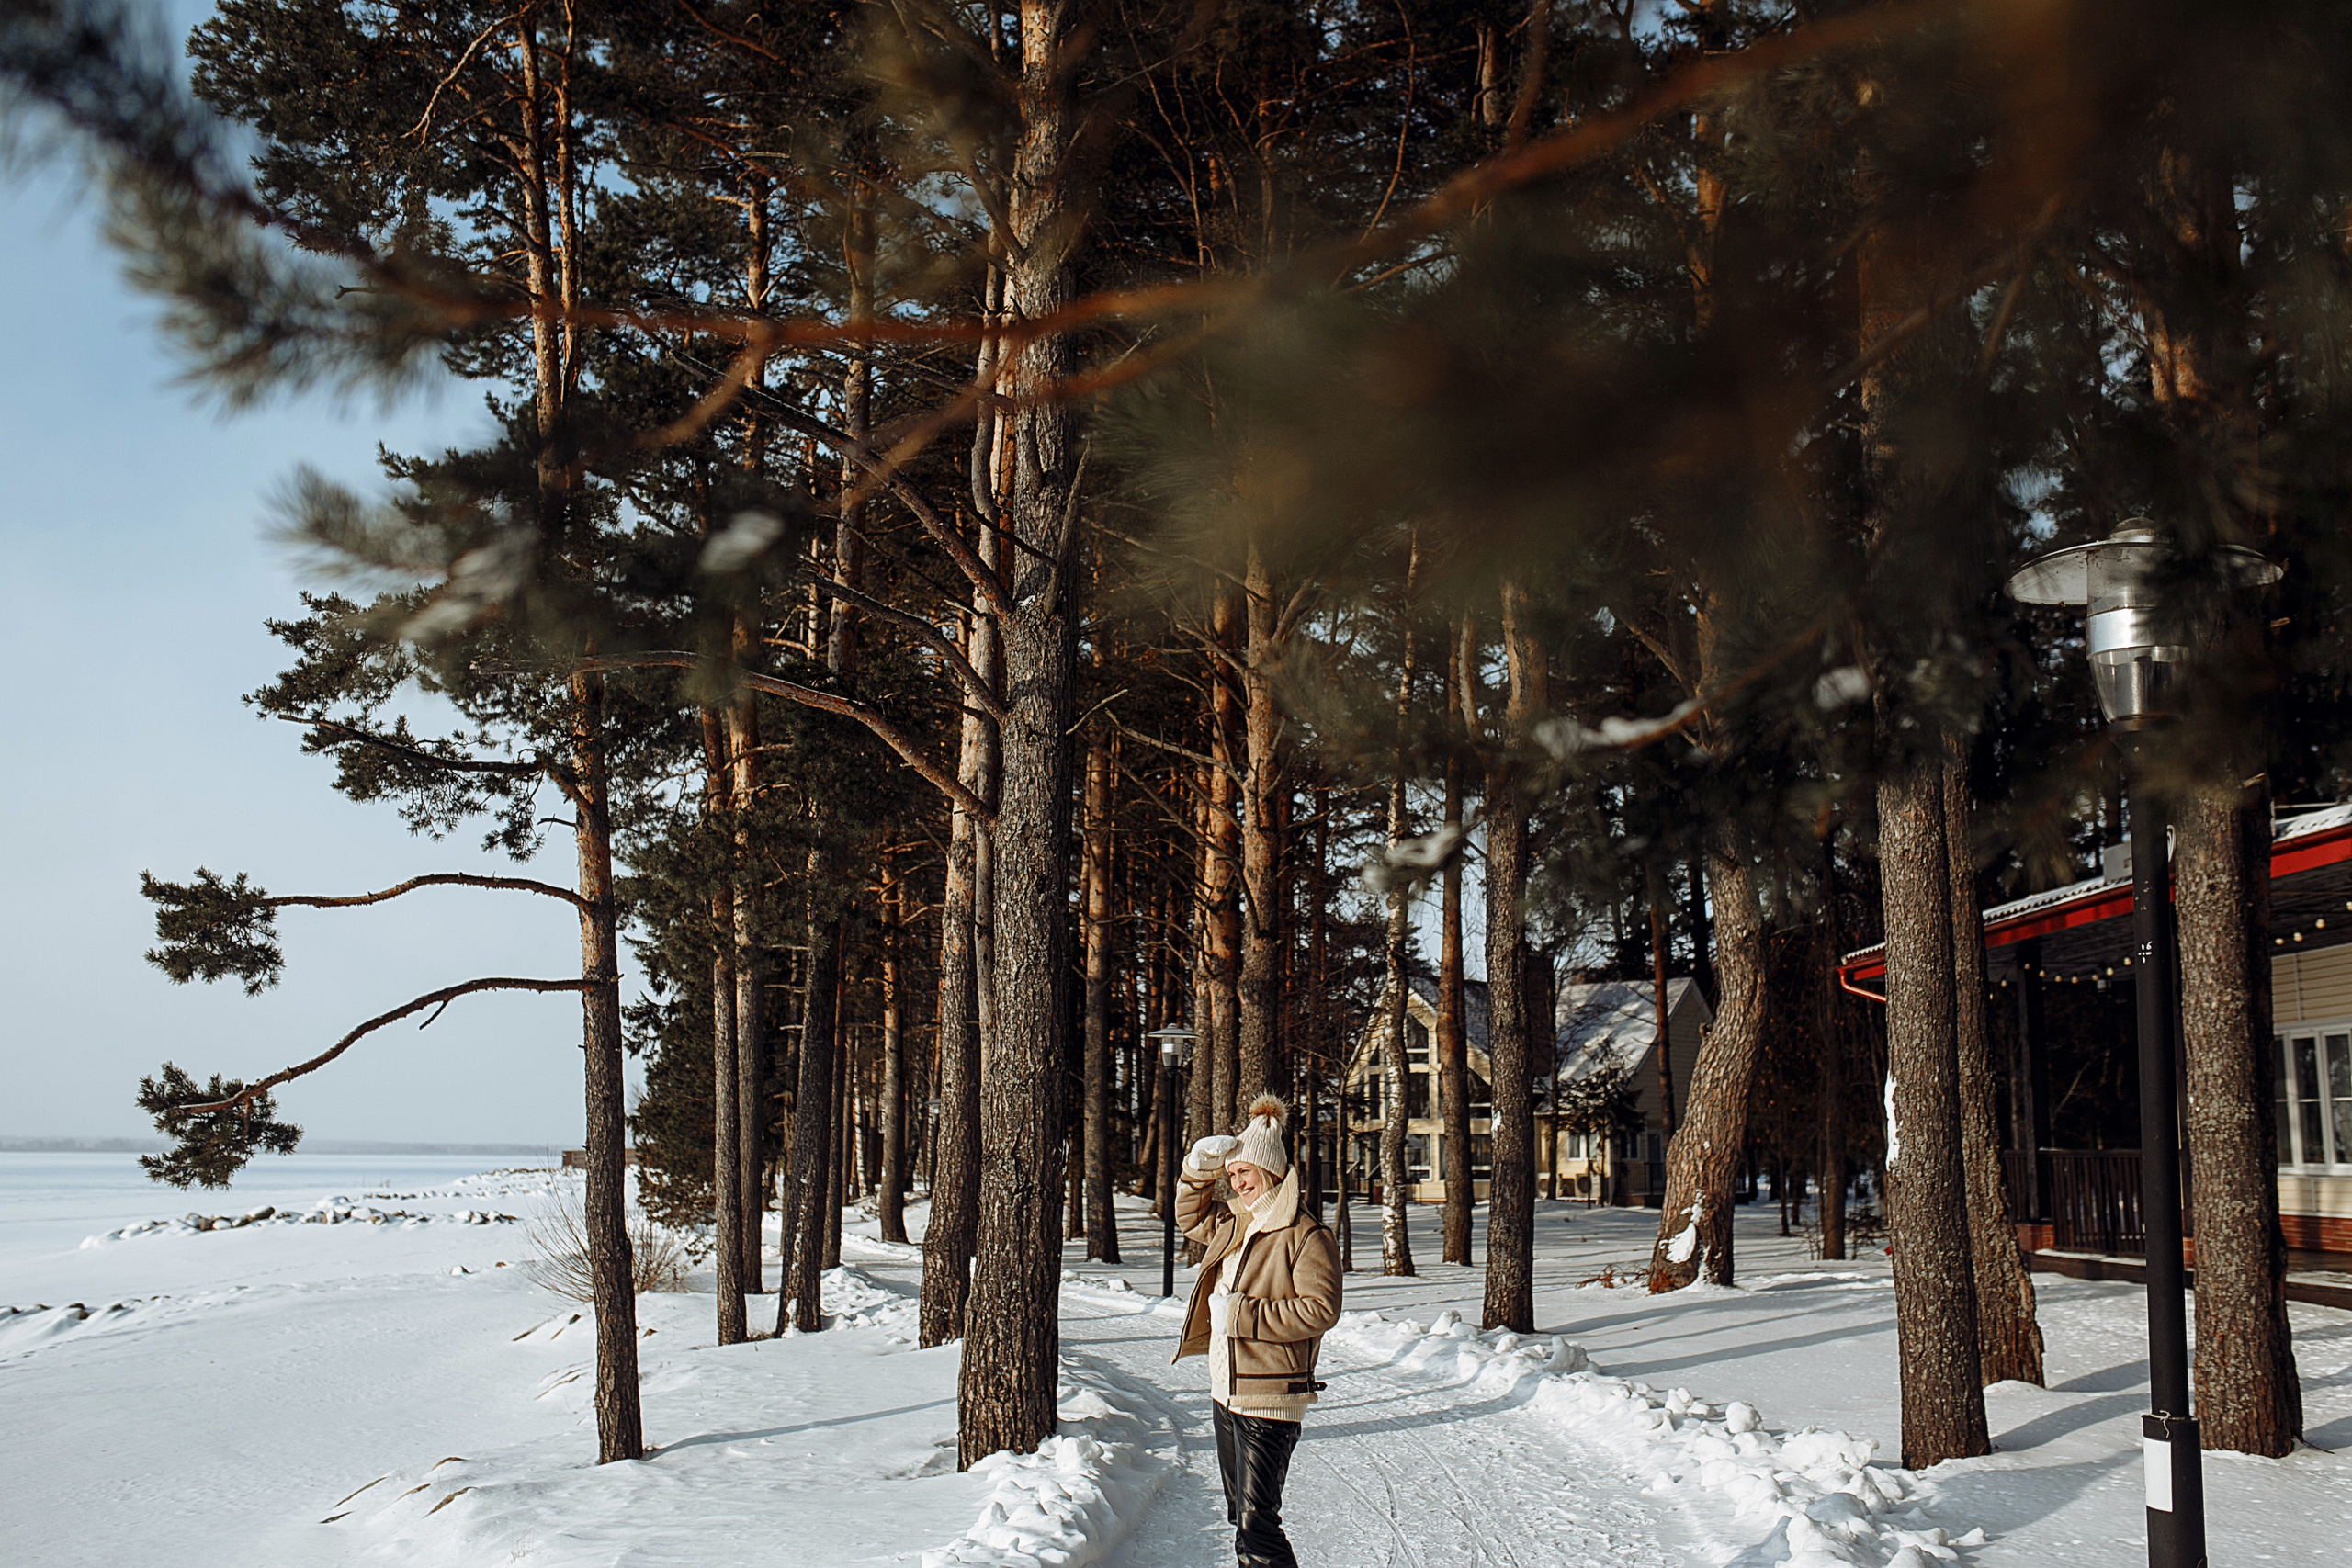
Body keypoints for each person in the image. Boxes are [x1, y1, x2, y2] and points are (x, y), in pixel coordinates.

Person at [1174, 1094, 1343, 1568]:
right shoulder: (1239, 1223)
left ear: (1269, 1171)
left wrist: (1240, 1314)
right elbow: (1189, 1219)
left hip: (1269, 1396)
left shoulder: (1305, 1234)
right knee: (1242, 1516)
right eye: (1231, 1175)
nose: (1237, 1183)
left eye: (1242, 1172)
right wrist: (1196, 1172)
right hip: (1226, 1392)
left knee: (1257, 1524)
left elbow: (1321, 1309)